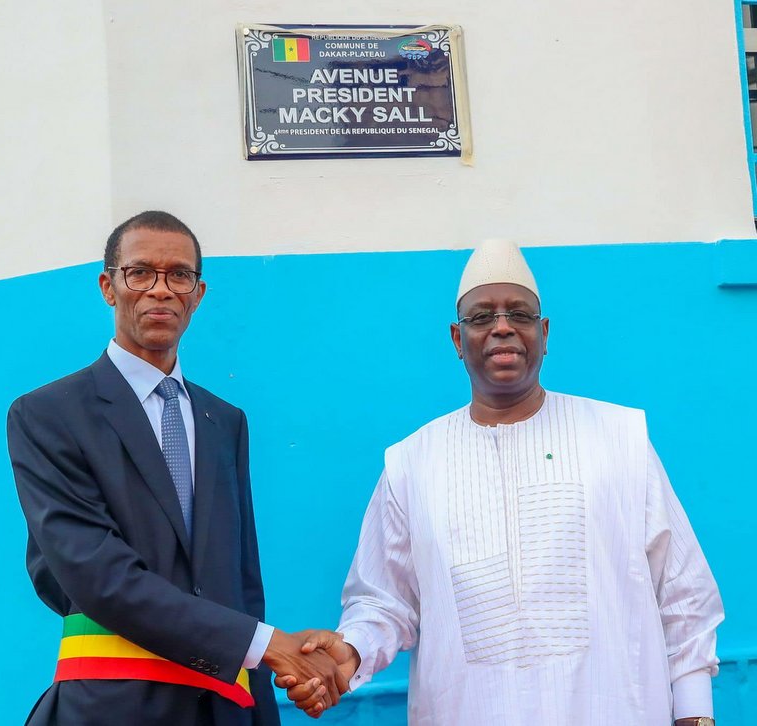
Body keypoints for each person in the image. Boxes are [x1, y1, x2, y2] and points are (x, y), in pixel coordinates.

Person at [282, 239, 724, 726]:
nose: (502, 327)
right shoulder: (411, 463)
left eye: (519, 313)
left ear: (544, 332)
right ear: (456, 338)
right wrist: (350, 651)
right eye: (481, 316)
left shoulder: (620, 437)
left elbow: (683, 590)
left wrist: (695, 714)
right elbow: (383, 600)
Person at [7, 211, 346, 726]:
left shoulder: (224, 421)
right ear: (108, 286)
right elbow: (100, 577)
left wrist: (269, 703)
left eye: (179, 275)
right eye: (140, 272)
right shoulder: (49, 414)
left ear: (198, 294)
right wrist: (271, 646)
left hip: (221, 710)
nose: (160, 290)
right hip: (110, 706)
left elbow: (242, 587)